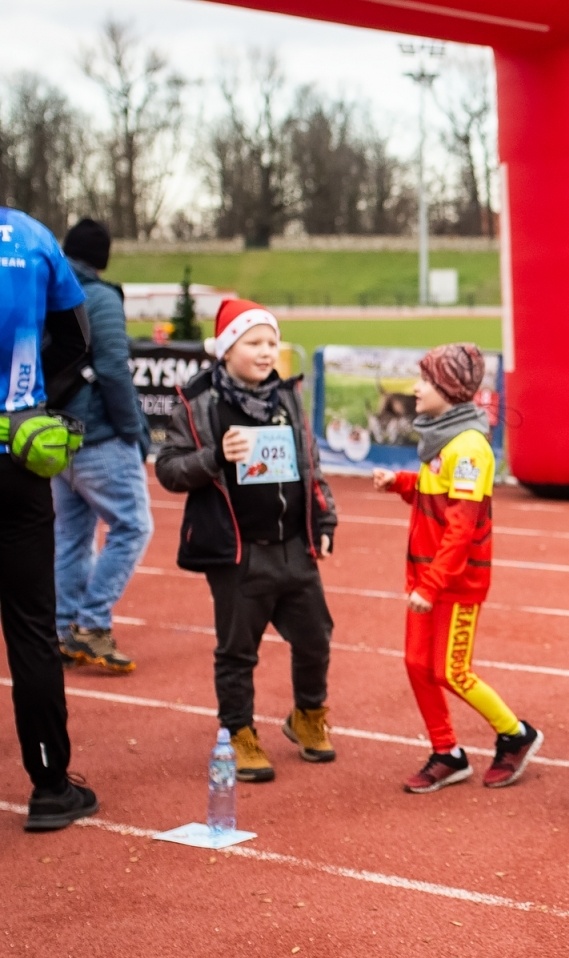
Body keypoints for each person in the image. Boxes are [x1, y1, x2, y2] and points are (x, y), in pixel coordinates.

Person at [154, 298, 338, 782]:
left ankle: (308, 716)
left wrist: (325, 520)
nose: (266, 351)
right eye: (254, 342)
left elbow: (310, 463)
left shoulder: (288, 397)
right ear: (227, 348)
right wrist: (216, 456)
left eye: (272, 342)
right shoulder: (199, 404)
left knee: (316, 636)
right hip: (238, 552)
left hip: (293, 546)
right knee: (238, 649)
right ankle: (238, 732)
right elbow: (169, 470)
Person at [372, 343, 544, 793]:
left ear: (447, 388)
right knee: (416, 664)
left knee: (451, 670)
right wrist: (400, 484)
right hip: (426, 577)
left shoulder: (469, 448)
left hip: (454, 582)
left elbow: (462, 528)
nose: (415, 388)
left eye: (424, 380)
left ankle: (515, 734)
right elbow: (435, 494)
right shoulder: (440, 435)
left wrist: (430, 587)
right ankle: (447, 752)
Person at [1, 206, 100, 832]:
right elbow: (78, 340)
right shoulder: (30, 236)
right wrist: (38, 402)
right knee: (32, 630)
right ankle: (49, 786)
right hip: (15, 451)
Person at [54, 218, 153, 673]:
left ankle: (62, 629)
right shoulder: (99, 297)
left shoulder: (46, 290)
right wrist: (133, 431)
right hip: (99, 435)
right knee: (133, 527)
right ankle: (91, 624)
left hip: (54, 436)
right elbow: (114, 370)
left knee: (72, 536)